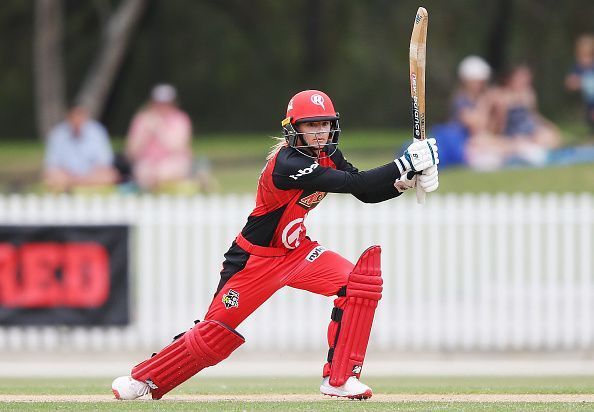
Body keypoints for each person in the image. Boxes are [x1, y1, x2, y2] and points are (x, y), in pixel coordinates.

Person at [111, 90, 440, 400]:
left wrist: (404, 181)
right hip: (254, 261)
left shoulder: (328, 155)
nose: (320, 132)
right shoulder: (288, 165)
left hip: (298, 253)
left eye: (325, 124)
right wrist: (404, 162)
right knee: (214, 334)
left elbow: (365, 193)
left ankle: (339, 380)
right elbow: (354, 182)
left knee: (358, 284)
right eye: (312, 125)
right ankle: (143, 379)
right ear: (294, 129)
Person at [431, 55, 511, 170]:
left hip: (476, 141)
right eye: (476, 81)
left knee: (503, 142)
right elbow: (475, 126)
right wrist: (486, 103)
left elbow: (494, 129)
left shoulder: (480, 98)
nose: (479, 84)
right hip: (462, 143)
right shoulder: (461, 100)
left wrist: (501, 110)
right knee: (491, 143)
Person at [125, 84, 195, 191]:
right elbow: (131, 152)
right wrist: (144, 134)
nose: (162, 106)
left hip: (173, 162)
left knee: (164, 171)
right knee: (145, 171)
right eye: (158, 103)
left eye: (166, 103)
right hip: (147, 163)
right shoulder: (142, 119)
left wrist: (159, 129)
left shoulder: (180, 119)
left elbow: (178, 148)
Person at [491, 64, 561, 165]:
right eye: (521, 78)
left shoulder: (529, 94)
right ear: (511, 79)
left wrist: (550, 125)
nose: (525, 81)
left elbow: (534, 116)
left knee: (553, 138)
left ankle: (532, 150)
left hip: (530, 133)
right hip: (512, 135)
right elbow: (499, 125)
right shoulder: (500, 96)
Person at [43, 105, 118, 192]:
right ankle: (83, 185)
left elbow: (105, 161)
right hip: (67, 175)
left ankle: (75, 185)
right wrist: (70, 176)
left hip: (91, 175)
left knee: (109, 175)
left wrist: (86, 176)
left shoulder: (97, 131)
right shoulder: (58, 134)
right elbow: (52, 164)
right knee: (52, 176)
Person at [565, 34, 594, 135]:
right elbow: (569, 84)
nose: (585, 60)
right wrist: (581, 82)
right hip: (590, 102)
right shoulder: (579, 68)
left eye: (588, 56)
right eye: (582, 56)